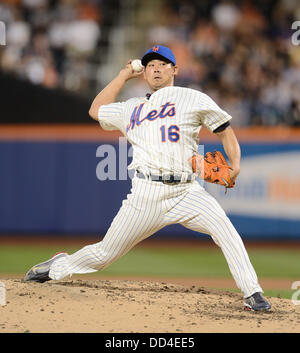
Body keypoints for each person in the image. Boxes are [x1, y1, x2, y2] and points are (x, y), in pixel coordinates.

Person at [25, 45, 271, 311]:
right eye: (151, 64)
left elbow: (225, 131)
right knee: (104, 254)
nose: (156, 68)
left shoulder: (193, 98)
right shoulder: (131, 108)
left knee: (225, 230)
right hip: (146, 194)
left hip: (187, 191)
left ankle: (253, 293)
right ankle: (58, 266)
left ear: (175, 70)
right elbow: (96, 110)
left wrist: (235, 164)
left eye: (163, 64)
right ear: (144, 72)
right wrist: (123, 75)